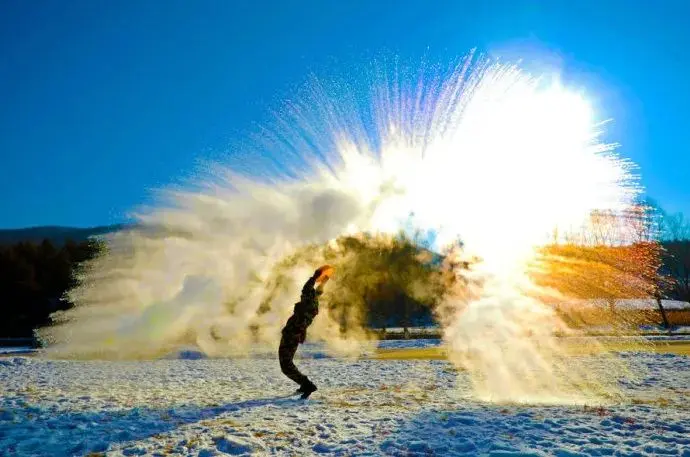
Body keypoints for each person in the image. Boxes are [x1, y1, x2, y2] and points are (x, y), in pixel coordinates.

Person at [279, 265, 333, 399]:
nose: (302, 294)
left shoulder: (308, 301)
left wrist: (315, 277)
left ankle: (307, 384)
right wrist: (323, 282)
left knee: (286, 365)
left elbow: (307, 288)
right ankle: (305, 384)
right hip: (295, 333)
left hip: (292, 333)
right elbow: (317, 292)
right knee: (287, 362)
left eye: (304, 294)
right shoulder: (313, 302)